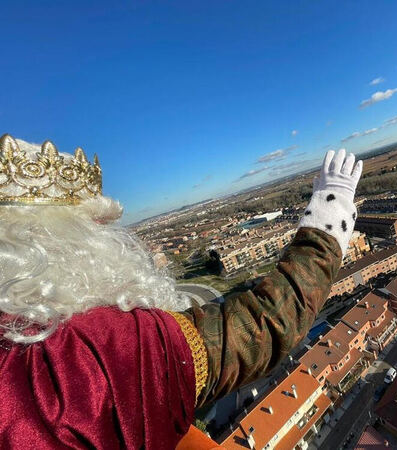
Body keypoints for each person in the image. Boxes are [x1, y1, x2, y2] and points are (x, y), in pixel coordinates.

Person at [0, 134, 362, 449]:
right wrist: (328, 221)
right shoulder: (104, 348)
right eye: (97, 228)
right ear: (73, 243)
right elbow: (260, 328)